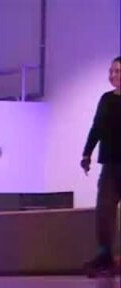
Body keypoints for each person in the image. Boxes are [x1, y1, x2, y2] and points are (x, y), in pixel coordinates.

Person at [80, 56, 121, 275]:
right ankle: (105, 255)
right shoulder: (106, 99)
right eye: (111, 71)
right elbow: (96, 128)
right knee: (104, 211)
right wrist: (86, 154)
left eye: (117, 71)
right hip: (110, 166)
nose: (113, 75)